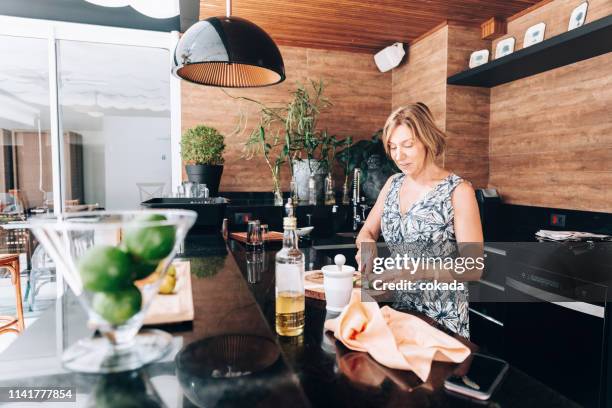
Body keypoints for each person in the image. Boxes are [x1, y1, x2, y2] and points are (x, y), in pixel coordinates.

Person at [355, 102, 483, 338]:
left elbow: (473, 268)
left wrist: (412, 272)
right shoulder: (392, 184)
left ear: (427, 141)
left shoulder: (458, 191)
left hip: (442, 319)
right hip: (399, 312)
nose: (399, 156)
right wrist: (367, 247)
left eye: (407, 145)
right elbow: (367, 232)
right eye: (393, 147)